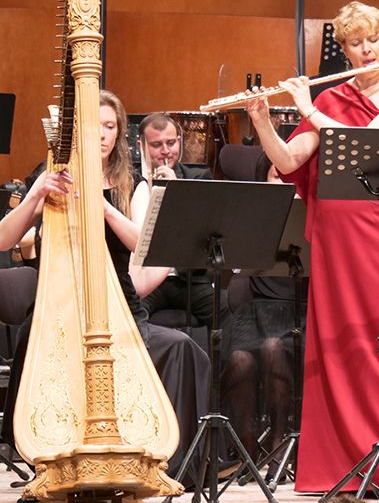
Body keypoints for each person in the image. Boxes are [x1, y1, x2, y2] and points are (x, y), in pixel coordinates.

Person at [244, 0, 379, 492]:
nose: (367, 50)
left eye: (374, 40)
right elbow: (288, 161)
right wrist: (263, 122)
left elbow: (362, 149)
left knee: (377, 343)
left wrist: (308, 109)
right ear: (344, 49)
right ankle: (335, 469)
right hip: (334, 237)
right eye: (356, 43)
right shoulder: (332, 98)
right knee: (334, 345)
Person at [1, 90, 210, 484]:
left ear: (119, 133)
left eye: (110, 126)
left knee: (175, 348)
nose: (102, 134)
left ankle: (152, 461)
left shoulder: (130, 182)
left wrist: (105, 207)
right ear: (75, 129)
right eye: (94, 125)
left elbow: (143, 245)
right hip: (58, 306)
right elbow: (3, 238)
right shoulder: (50, 176)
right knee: (36, 337)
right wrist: (37, 194)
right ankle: (51, 456)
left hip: (120, 307)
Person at [221, 154, 308, 470]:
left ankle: (279, 438)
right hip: (256, 310)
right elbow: (232, 269)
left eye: (289, 178)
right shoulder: (254, 217)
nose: (283, 183)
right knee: (239, 360)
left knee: (273, 348)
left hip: (299, 310)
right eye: (276, 176)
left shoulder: (310, 216)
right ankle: (247, 442)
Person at [136, 112, 223, 330]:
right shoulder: (131, 182)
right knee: (129, 314)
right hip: (146, 279)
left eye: (171, 143)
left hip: (190, 280)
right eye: (156, 145)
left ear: (179, 142)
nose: (166, 151)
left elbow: (204, 227)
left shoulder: (199, 178)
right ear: (141, 146)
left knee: (224, 312)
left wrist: (177, 190)